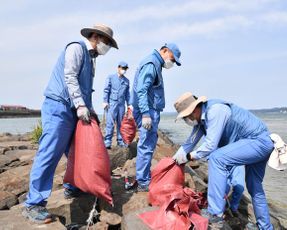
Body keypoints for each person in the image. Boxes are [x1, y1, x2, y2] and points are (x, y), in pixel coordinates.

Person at [22, 24, 118, 224]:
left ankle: (72, 186)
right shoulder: (76, 48)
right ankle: (33, 204)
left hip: (75, 109)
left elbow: (87, 89)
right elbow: (70, 77)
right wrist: (81, 105)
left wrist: (89, 110)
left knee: (76, 150)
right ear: (95, 36)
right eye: (106, 42)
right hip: (59, 106)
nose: (107, 47)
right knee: (50, 152)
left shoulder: (92, 60)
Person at [172, 92, 274, 230]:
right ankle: (266, 227)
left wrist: (190, 157)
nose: (186, 120)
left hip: (258, 142)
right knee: (254, 187)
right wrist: (174, 159)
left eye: (186, 117)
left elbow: (210, 146)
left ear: (194, 109)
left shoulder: (216, 110)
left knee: (216, 158)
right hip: (257, 144)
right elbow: (189, 143)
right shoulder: (201, 121)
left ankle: (215, 214)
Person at [130, 43, 182, 192]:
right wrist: (146, 113)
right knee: (146, 145)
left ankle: (143, 178)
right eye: (172, 59)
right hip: (148, 111)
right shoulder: (152, 63)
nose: (172, 63)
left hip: (149, 110)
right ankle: (143, 182)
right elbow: (142, 90)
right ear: (165, 50)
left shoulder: (155, 63)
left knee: (148, 145)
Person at [103, 61, 130, 149]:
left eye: (125, 69)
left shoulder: (126, 81)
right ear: (118, 67)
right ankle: (107, 141)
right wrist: (105, 101)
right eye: (122, 68)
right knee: (110, 123)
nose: (124, 70)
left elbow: (127, 94)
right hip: (112, 104)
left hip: (121, 105)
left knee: (121, 124)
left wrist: (129, 104)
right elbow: (106, 90)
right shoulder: (111, 77)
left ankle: (120, 141)